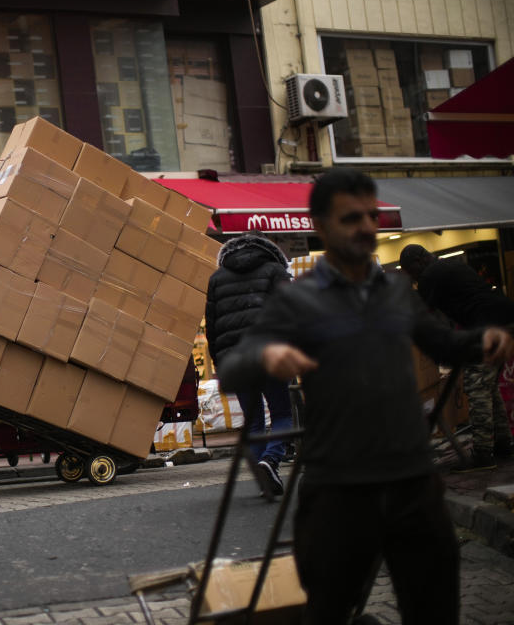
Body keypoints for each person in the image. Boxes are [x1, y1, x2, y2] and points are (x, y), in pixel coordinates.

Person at [217, 169, 514, 624]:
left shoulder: (395, 292)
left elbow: (442, 344)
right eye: (350, 218)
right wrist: (268, 355)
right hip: (340, 488)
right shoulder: (299, 300)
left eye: (370, 216)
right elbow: (236, 366)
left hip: (412, 483)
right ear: (320, 225)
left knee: (433, 607)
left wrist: (482, 341)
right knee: (330, 608)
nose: (365, 227)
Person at [399, 243, 514, 471]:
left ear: (419, 261)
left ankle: (483, 454)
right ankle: (503, 445)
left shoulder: (430, 275)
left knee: (477, 387)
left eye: (409, 270)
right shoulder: (449, 266)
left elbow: (422, 315)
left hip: (488, 326)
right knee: (489, 387)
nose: (410, 276)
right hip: (504, 319)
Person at [205, 230, 293, 495]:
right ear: (266, 247)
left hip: (236, 360)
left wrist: (220, 362)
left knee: (253, 421)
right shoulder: (275, 271)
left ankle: (264, 476)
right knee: (282, 414)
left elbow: (212, 326)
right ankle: (271, 460)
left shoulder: (217, 278)